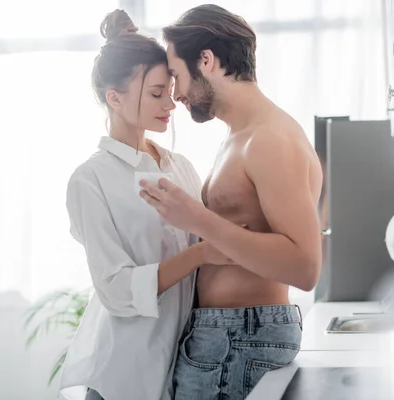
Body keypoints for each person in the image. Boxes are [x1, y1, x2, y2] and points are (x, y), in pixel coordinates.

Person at [139, 5, 323, 399]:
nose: (175, 94)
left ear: (206, 60)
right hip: (231, 338)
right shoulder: (241, 138)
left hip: (239, 338)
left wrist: (197, 219)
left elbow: (305, 267)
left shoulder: (269, 140)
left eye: (175, 75)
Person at [59, 10, 231, 400]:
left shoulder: (180, 166)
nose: (170, 104)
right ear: (114, 98)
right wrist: (202, 253)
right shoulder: (90, 180)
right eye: (156, 93)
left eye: (170, 90)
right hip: (122, 377)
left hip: (182, 370)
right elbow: (117, 290)